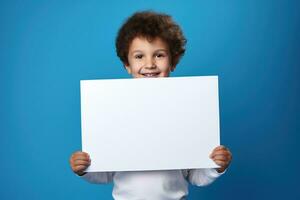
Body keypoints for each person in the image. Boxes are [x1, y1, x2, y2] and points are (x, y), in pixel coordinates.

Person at [69, 11, 232, 200]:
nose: (150, 64)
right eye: (139, 56)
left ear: (173, 61)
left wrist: (215, 166)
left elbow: (195, 175)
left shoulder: (186, 110)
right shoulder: (115, 111)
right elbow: (105, 174)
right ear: (126, 64)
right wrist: (84, 168)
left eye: (159, 55)